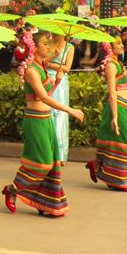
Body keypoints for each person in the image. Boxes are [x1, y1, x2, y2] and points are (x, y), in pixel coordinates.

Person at [2, 31, 84, 215]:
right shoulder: (31, 70)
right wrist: (70, 110)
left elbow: (46, 95)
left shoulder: (42, 67)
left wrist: (57, 82)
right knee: (42, 162)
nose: (49, 47)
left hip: (45, 120)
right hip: (35, 120)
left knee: (52, 162)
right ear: (35, 48)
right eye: (45, 44)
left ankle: (44, 202)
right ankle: (11, 190)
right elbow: (44, 100)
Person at [88, 32, 127, 191]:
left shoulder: (121, 65)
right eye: (118, 43)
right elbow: (112, 91)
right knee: (125, 142)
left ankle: (101, 168)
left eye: (121, 43)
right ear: (109, 46)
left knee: (124, 141)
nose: (122, 45)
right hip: (116, 105)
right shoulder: (110, 65)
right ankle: (119, 179)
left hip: (125, 106)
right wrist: (115, 116)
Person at [47, 33, 75, 164]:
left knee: (60, 115)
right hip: (47, 79)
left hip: (61, 80)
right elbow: (41, 61)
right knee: (49, 114)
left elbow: (67, 68)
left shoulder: (70, 47)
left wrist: (53, 66)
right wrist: (53, 56)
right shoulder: (47, 44)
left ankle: (60, 155)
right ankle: (50, 152)